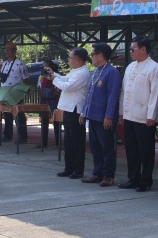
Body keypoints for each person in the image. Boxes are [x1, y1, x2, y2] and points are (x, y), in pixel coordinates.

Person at [118, 36, 158, 192]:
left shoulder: (154, 68)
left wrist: (152, 115)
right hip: (129, 114)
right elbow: (124, 91)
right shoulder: (130, 67)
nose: (131, 51)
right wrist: (122, 112)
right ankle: (133, 178)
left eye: (133, 49)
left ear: (143, 49)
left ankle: (146, 180)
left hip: (144, 116)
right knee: (131, 149)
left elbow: (155, 93)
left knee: (146, 150)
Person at [81, 43, 121, 187]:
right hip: (92, 114)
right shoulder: (95, 72)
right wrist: (84, 111)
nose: (91, 57)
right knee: (95, 146)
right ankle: (97, 173)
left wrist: (109, 116)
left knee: (107, 147)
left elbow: (113, 96)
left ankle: (108, 175)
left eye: (93, 54)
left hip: (103, 116)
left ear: (100, 55)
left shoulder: (112, 72)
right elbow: (89, 94)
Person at [50, 48, 90, 179]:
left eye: (70, 58)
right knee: (68, 140)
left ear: (77, 60)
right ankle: (69, 167)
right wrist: (54, 74)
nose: (69, 60)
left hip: (75, 110)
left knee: (77, 140)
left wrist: (54, 80)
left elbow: (67, 86)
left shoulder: (82, 73)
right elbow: (65, 79)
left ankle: (78, 169)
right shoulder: (75, 71)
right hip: (68, 108)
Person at [0, 41, 29, 143]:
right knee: (7, 114)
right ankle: (8, 135)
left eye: (9, 50)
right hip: (5, 93)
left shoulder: (20, 64)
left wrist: (21, 91)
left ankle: (23, 137)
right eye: (6, 50)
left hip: (16, 93)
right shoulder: (4, 64)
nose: (7, 52)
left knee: (19, 115)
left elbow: (26, 78)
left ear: (14, 51)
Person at [37, 59, 62, 150]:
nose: (45, 69)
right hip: (44, 101)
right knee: (44, 122)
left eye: (46, 67)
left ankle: (58, 143)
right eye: (43, 67)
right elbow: (38, 86)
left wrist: (57, 93)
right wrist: (40, 94)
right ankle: (43, 143)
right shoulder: (41, 77)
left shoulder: (56, 76)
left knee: (56, 122)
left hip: (54, 100)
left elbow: (60, 88)